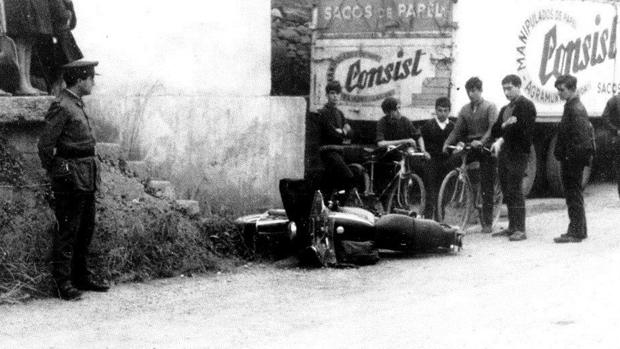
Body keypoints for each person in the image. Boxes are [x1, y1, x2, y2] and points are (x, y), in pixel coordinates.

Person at [37, 60, 109, 300]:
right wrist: (59, 172)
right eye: (91, 78)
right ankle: (63, 283)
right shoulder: (62, 105)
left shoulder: (76, 104)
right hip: (70, 176)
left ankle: (81, 277)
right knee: (68, 229)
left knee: (86, 227)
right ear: (79, 79)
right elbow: (45, 145)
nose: (93, 83)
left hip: (86, 173)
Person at [442, 77, 498, 234]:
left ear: (480, 91)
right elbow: (457, 130)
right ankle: (450, 201)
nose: (471, 94)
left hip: (485, 147)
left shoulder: (490, 107)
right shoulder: (465, 109)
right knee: (452, 162)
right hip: (470, 146)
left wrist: (482, 141)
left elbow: (493, 128)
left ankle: (487, 222)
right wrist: (447, 143)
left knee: (487, 183)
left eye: (474, 91)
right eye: (469, 91)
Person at [489, 75, 537, 241]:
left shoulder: (526, 105)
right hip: (505, 153)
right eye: (504, 89)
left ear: (518, 86)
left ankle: (520, 229)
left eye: (509, 88)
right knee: (507, 189)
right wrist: (505, 125)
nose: (506, 92)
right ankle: (512, 226)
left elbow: (520, 129)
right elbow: (496, 129)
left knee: (515, 189)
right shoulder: (505, 109)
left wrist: (506, 131)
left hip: (518, 153)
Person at [552, 74, 595, 243]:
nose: (559, 93)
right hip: (574, 158)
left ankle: (575, 232)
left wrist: (568, 156)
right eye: (558, 90)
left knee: (573, 195)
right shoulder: (573, 105)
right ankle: (579, 230)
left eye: (562, 90)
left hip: (572, 160)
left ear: (572, 89)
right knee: (574, 194)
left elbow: (579, 138)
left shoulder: (574, 108)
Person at [317, 80, 361, 196]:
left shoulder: (340, 113)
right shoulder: (323, 113)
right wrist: (342, 132)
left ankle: (336, 205)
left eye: (337, 93)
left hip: (339, 152)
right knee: (348, 176)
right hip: (328, 153)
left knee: (332, 184)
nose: (335, 96)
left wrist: (342, 131)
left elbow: (350, 133)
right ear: (327, 95)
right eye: (332, 93)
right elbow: (331, 134)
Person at [421, 97, 456, 219]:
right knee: (431, 192)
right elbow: (420, 139)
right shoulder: (428, 125)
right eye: (440, 110)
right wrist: (424, 151)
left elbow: (457, 141)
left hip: (446, 161)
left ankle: (440, 218)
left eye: (445, 111)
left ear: (449, 111)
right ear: (435, 110)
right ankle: (427, 218)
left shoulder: (452, 126)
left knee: (444, 190)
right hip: (432, 161)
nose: (442, 113)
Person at [601, 92, 620, 200]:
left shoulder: (613, 100)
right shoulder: (615, 100)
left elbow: (604, 117)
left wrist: (615, 130)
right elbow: (605, 117)